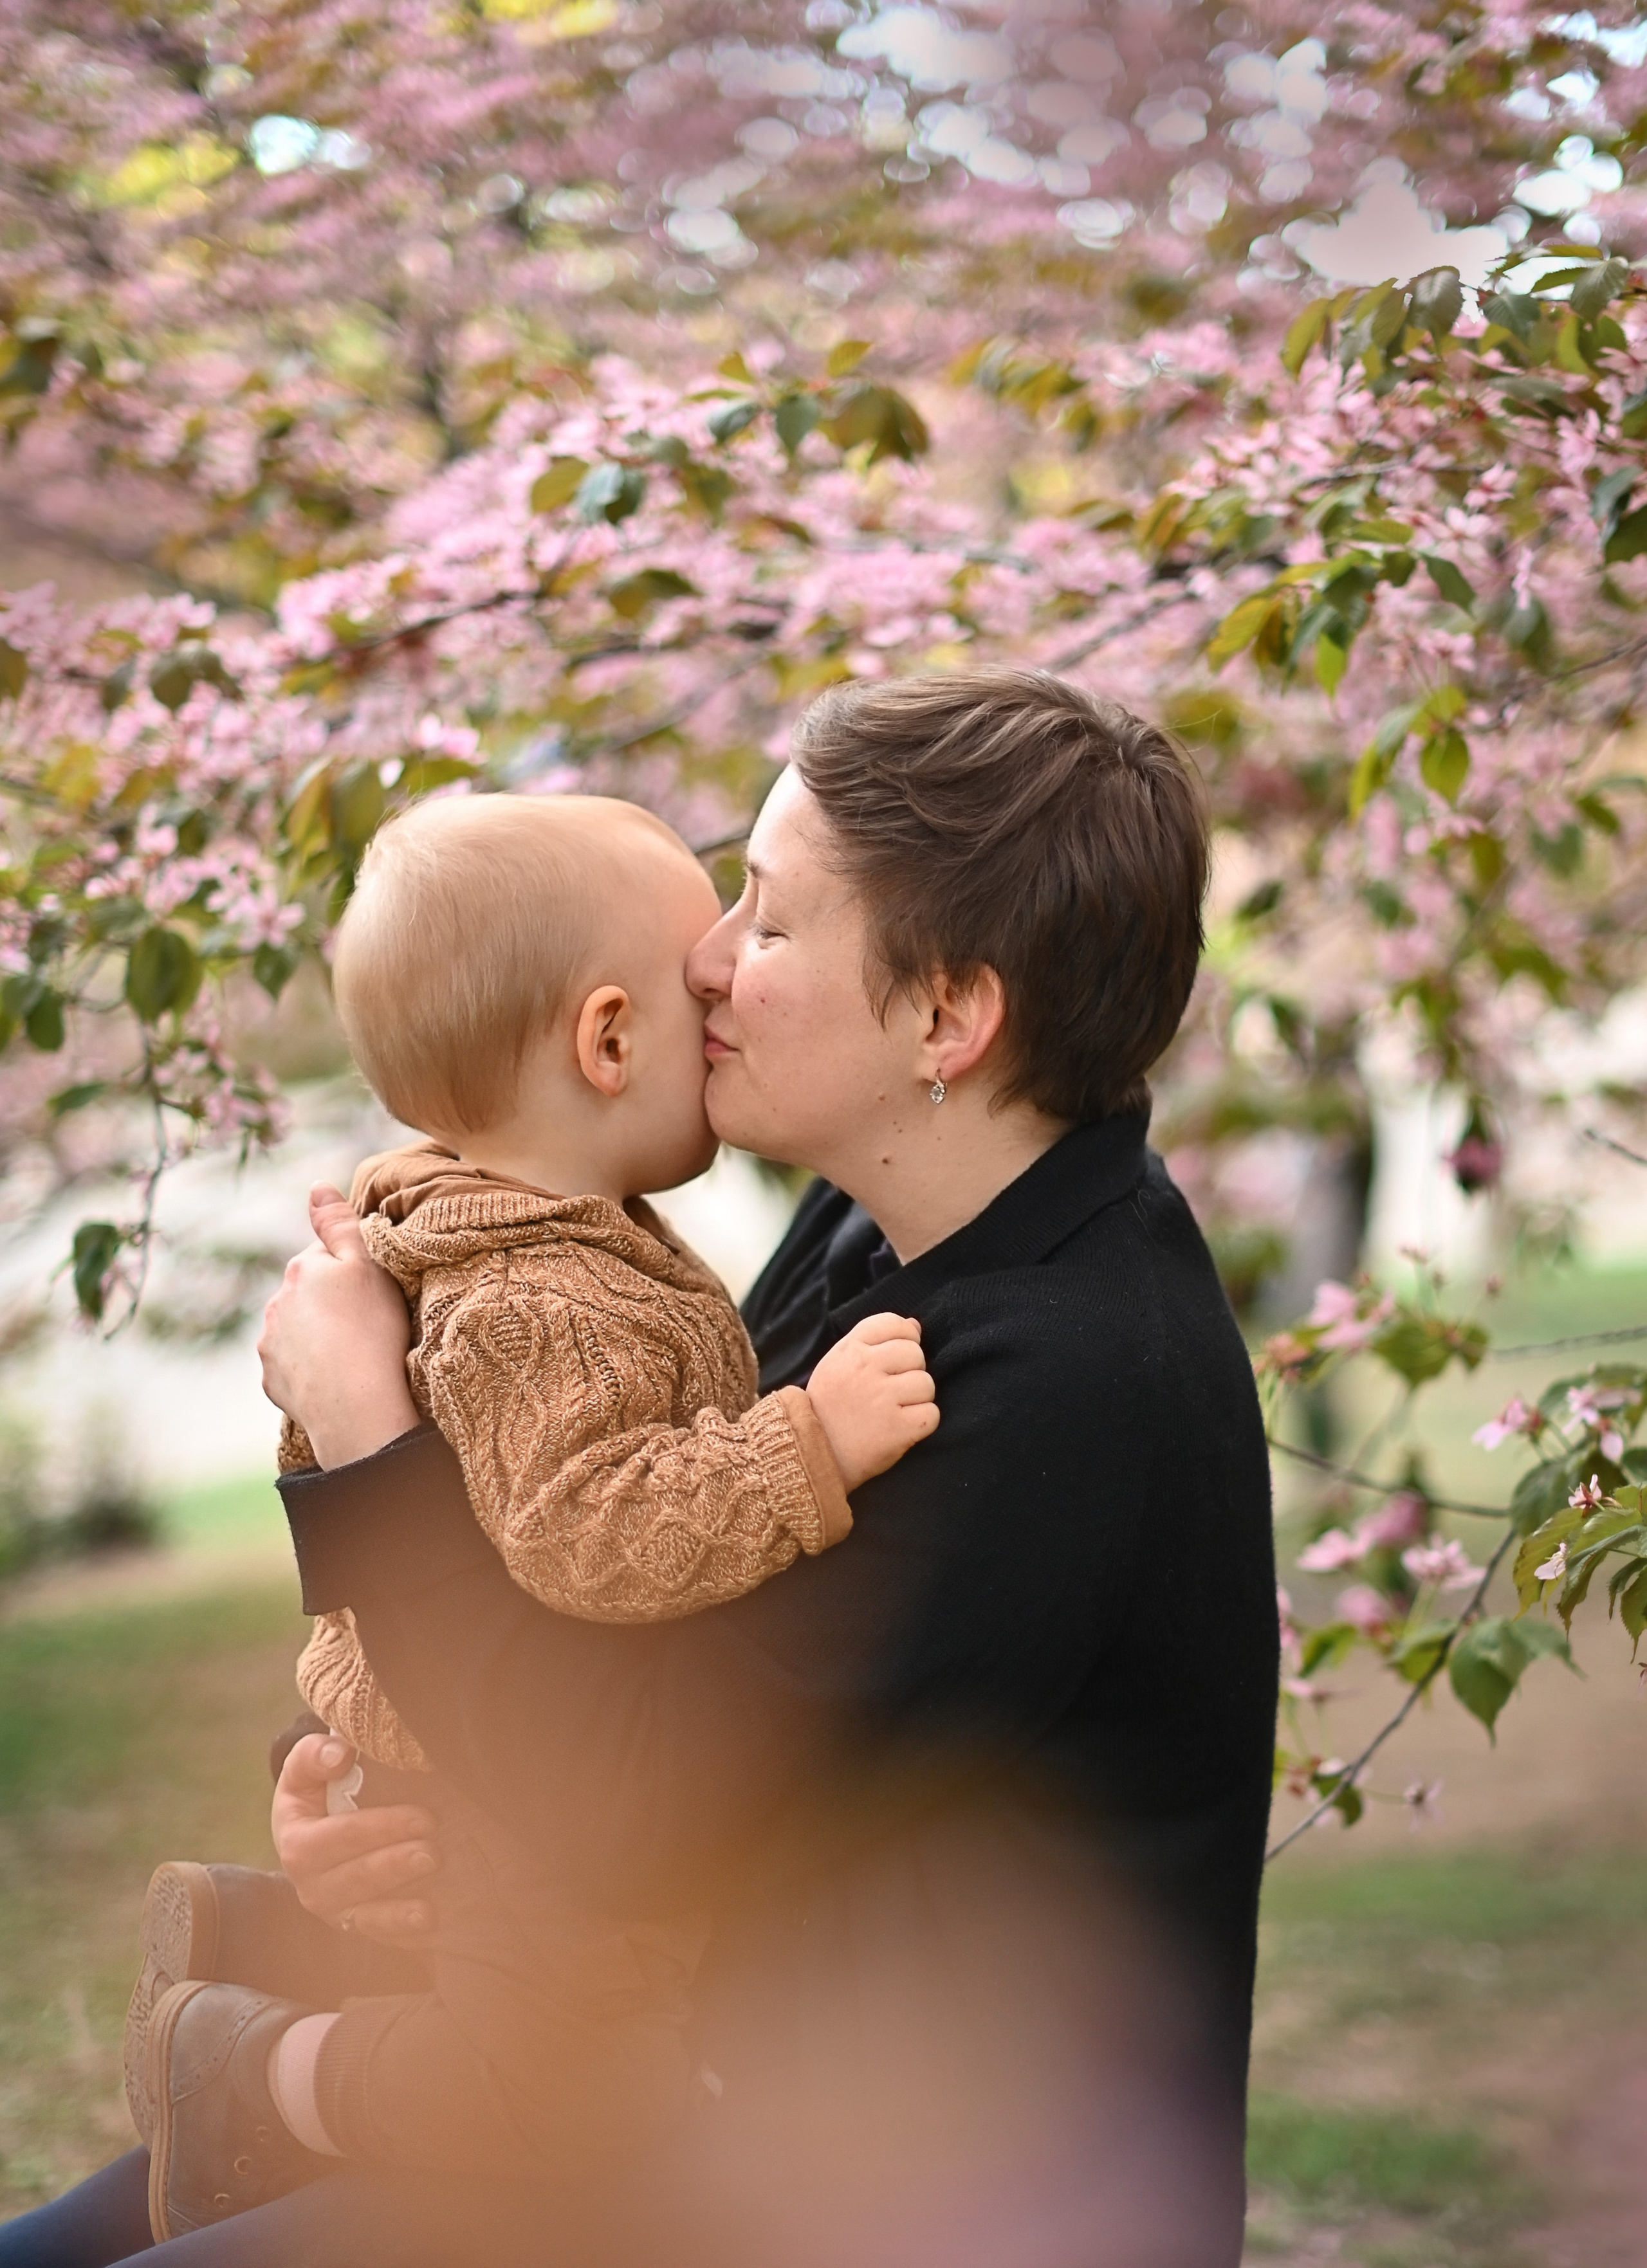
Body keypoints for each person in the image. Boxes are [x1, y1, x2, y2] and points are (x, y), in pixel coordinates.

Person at [0, 669, 1278, 2268]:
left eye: (771, 918)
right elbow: (597, 1551)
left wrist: (365, 1434)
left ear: (946, 1018)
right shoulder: (879, 1232)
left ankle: (267, 2075)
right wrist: (359, 1775)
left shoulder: (1065, 1382)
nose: (707, 960)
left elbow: (626, 1795)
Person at [125, 791, 938, 2240]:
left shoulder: (542, 1235)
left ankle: (271, 1941)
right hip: (490, 1767)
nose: (725, 984)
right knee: (558, 2092)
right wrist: (800, 1446)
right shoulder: (533, 1301)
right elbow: (586, 1532)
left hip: (478, 1742)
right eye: (699, 977)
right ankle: (246, 2069)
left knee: (562, 2045)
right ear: (608, 1042)